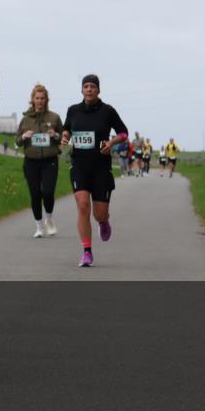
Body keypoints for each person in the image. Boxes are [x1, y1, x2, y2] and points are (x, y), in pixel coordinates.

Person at [61, 75, 128, 268]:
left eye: (92, 87)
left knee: (99, 214)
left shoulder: (108, 111)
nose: (89, 90)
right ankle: (87, 252)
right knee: (83, 205)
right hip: (79, 165)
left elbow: (124, 133)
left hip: (101, 167)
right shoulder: (73, 110)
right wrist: (65, 137)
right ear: (81, 90)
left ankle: (103, 222)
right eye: (86, 86)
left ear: (98, 90)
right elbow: (67, 129)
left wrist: (112, 142)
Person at [14, 84, 63, 238]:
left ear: (46, 99)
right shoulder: (25, 120)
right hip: (31, 162)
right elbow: (17, 141)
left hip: (50, 161)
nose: (40, 101)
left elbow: (63, 138)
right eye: (37, 98)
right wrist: (24, 136)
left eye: (42, 98)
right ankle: (39, 226)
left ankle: (49, 219)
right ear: (33, 100)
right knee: (35, 194)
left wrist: (55, 135)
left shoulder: (54, 117)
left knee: (48, 193)